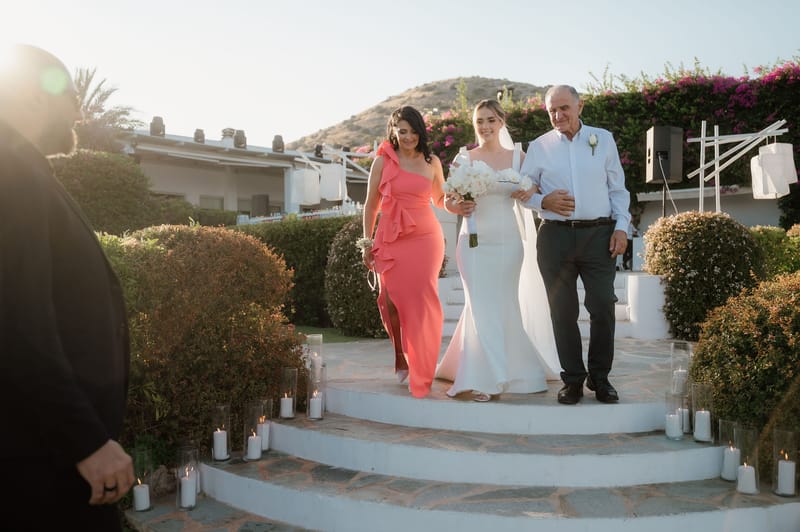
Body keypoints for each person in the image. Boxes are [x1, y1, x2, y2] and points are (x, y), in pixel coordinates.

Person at [0, 44, 134, 529]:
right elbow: (16, 322)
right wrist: (86, 442)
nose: (78, 110)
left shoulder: (28, 170)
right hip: (44, 465)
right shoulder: (12, 172)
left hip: (54, 456)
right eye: (69, 95)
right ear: (32, 97)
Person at [435, 100, 560, 402]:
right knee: (479, 304)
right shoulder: (463, 158)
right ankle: (482, 375)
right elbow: (446, 199)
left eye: (491, 120)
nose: (485, 126)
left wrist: (530, 191)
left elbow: (536, 188)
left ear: (501, 122)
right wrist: (457, 206)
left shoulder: (519, 155)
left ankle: (513, 371)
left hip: (507, 243)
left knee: (504, 303)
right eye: (480, 121)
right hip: (473, 242)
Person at [520, 85, 631, 405]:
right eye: (552, 110)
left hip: (599, 235)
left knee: (602, 306)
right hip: (554, 237)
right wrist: (545, 200)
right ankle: (572, 379)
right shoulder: (539, 146)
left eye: (564, 108)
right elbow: (524, 192)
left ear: (580, 107)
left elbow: (618, 190)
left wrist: (621, 229)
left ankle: (600, 377)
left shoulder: (603, 139)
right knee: (562, 311)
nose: (558, 115)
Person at [361, 105, 452, 398]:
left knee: (424, 300)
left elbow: (440, 199)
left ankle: (422, 371)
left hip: (425, 237)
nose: (409, 136)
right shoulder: (382, 163)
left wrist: (459, 199)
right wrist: (366, 242)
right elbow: (371, 205)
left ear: (420, 132)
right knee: (390, 303)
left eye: (413, 131)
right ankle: (401, 354)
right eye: (403, 131)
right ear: (393, 131)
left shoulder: (432, 162)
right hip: (390, 237)